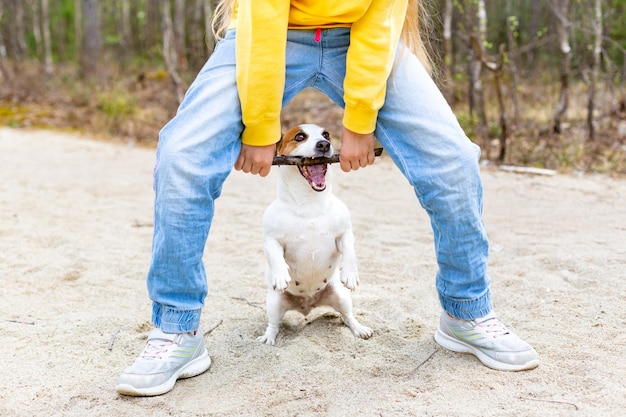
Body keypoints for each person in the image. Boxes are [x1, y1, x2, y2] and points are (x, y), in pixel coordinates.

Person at [116, 0, 539, 397]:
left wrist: (359, 122)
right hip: (269, 32)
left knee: (454, 160)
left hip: (362, 33)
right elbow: (263, 16)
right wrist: (260, 127)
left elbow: (379, 17)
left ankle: (465, 311)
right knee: (181, 156)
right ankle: (176, 328)